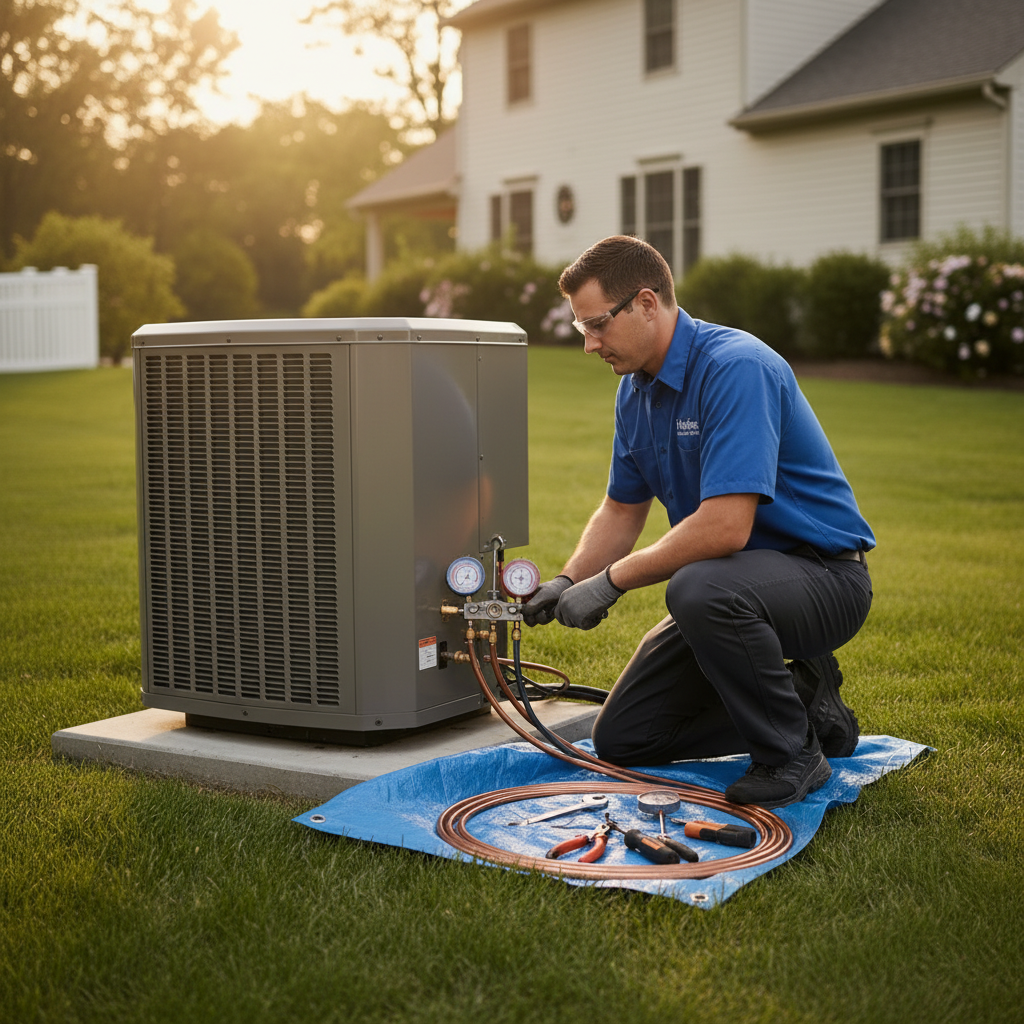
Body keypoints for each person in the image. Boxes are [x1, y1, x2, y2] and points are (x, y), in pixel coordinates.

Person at [523, 235, 874, 809]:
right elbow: (620, 509)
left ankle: (791, 755)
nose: (588, 345)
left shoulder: (737, 367)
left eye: (596, 325)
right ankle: (808, 705)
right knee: (624, 737)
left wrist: (610, 582)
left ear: (645, 303)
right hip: (730, 588)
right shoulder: (634, 392)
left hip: (822, 579)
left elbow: (724, 529)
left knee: (697, 586)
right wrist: (566, 580)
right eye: (581, 329)